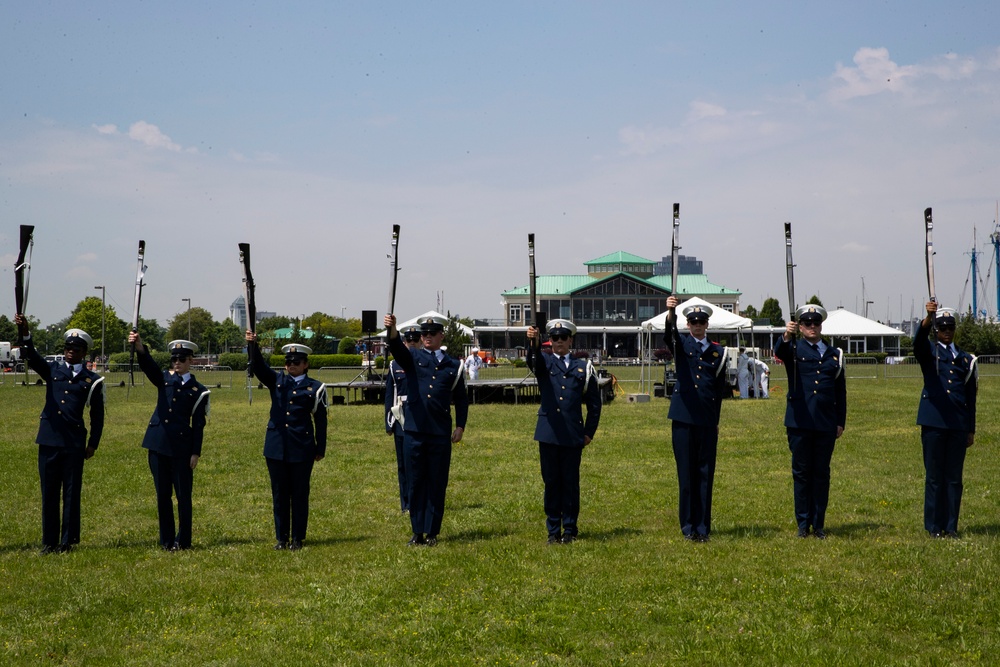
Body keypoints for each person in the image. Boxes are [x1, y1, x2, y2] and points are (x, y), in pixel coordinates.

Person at [15, 314, 105, 554]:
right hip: (49, 440)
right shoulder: (52, 370)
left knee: (72, 493)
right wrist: (25, 331)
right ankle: (49, 541)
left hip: (74, 443)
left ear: (84, 352)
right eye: (67, 348)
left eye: (75, 349)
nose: (70, 352)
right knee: (50, 494)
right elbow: (32, 355)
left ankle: (68, 541)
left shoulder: (92, 380)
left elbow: (97, 416)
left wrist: (93, 444)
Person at [383, 313, 468, 547]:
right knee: (416, 481)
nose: (427, 337)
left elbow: (461, 398)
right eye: (424, 334)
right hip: (414, 430)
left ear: (441, 335)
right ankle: (417, 531)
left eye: (432, 334)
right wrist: (392, 331)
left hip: (439, 432)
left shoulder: (454, 365)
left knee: (437, 482)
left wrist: (460, 425)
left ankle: (432, 532)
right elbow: (397, 348)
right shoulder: (412, 357)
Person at [246, 332, 328, 550]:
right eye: (288, 362)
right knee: (280, 494)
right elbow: (259, 368)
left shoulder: (316, 387)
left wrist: (321, 447)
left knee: (299, 493)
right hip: (276, 446)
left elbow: (321, 420)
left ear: (305, 364)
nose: (291, 365)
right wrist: (251, 345)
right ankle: (281, 538)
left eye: (296, 362)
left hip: (301, 447)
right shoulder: (277, 381)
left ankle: (297, 538)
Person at [130, 333, 210, 550]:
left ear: (191, 361)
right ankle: (166, 540)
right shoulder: (164, 379)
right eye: (174, 359)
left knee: (183, 496)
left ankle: (183, 541)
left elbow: (199, 424)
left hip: (182, 449)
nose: (177, 363)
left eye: (181, 359)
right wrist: (140, 348)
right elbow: (149, 367)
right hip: (158, 444)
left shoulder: (199, 391)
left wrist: (195, 452)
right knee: (163, 495)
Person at [526, 319, 602, 544]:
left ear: (571, 340)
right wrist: (532, 342)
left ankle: (569, 528)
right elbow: (533, 361)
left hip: (572, 434)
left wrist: (589, 432)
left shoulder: (583, 367)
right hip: (549, 432)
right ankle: (553, 530)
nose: (559, 342)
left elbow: (594, 404)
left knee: (570, 482)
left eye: (563, 338)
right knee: (551, 482)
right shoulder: (545, 362)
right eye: (555, 338)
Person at [774, 305, 846, 539]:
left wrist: (840, 421)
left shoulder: (834, 354)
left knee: (821, 474)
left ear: (821, 326)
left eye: (815, 323)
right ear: (801, 327)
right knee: (802, 473)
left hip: (825, 422)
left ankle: (819, 524)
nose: (812, 327)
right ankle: (803, 524)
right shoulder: (793, 349)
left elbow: (840, 391)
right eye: (807, 324)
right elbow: (779, 351)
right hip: (800, 421)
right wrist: (786, 335)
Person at [664, 297, 729, 542]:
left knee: (705, 473)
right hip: (683, 417)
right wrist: (671, 312)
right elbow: (668, 334)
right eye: (693, 321)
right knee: (686, 474)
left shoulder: (717, 352)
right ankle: (688, 526)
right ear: (688, 324)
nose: (697, 325)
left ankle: (703, 527)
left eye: (701, 321)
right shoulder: (680, 343)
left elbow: (719, 391)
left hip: (706, 419)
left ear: (707, 324)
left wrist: (716, 421)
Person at [914, 302, 977, 538]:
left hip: (958, 426)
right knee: (934, 477)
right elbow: (917, 343)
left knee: (953, 478)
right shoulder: (929, 353)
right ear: (936, 329)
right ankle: (933, 527)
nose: (947, 331)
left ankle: (951, 527)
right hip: (934, 422)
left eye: (950, 327)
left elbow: (970, 398)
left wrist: (970, 429)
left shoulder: (965, 359)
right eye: (942, 327)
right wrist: (928, 318)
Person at [384, 324, 422, 513]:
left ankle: (419, 499)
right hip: (400, 416)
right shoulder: (394, 365)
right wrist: (388, 422)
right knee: (403, 465)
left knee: (419, 463)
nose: (412, 343)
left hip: (419, 415)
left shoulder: (424, 361)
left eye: (416, 340)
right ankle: (405, 503)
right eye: (409, 340)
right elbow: (390, 394)